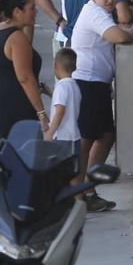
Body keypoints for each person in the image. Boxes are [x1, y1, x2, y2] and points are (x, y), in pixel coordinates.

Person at [70, 0, 133, 211]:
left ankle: (88, 188)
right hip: (88, 82)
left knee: (106, 135)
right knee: (86, 140)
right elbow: (118, 36)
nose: (109, 0)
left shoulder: (102, 13)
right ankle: (79, 194)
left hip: (97, 84)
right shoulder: (94, 13)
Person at [0, 0, 47, 154]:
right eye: (32, 8)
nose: (35, 12)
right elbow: (25, 77)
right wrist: (41, 111)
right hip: (14, 108)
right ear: (18, 11)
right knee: (18, 157)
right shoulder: (17, 38)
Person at [46, 48, 85, 193]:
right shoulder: (74, 86)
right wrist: (49, 92)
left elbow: (60, 111)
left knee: (59, 174)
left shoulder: (61, 87)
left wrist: (50, 132)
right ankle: (78, 203)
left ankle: (64, 204)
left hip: (62, 138)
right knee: (73, 174)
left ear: (55, 65)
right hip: (74, 136)